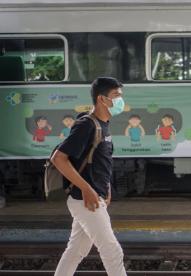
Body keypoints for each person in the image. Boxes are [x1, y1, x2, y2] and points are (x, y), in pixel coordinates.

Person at [51, 77, 127, 276]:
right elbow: (58, 159)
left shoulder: (104, 124)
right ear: (102, 99)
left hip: (94, 197)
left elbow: (100, 161)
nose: (121, 100)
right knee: (112, 251)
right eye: (116, 96)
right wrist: (87, 189)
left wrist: (106, 188)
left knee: (76, 251)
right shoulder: (87, 124)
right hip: (85, 200)